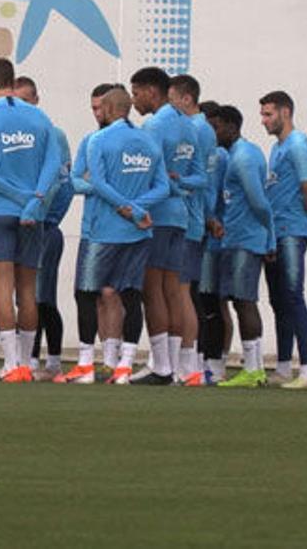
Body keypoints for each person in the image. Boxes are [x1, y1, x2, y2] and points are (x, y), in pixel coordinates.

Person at [0, 58, 61, 383]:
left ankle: (11, 364)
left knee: (2, 288)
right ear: (12, 79)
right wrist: (34, 198)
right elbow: (54, 164)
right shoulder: (39, 117)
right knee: (27, 290)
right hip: (32, 214)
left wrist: (16, 195)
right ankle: (28, 363)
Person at [79, 87, 170, 385]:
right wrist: (138, 209)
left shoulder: (99, 140)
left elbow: (100, 184)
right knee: (132, 295)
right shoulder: (149, 140)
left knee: (87, 293)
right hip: (138, 232)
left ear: (106, 108)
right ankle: (124, 366)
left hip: (105, 230)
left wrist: (126, 208)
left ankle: (86, 365)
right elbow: (163, 188)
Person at [130, 66, 205, 385]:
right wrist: (181, 184)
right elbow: (201, 177)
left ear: (151, 91)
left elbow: (147, 175)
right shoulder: (188, 126)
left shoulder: (153, 125)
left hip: (158, 215)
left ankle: (161, 365)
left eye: (136, 93)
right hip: (181, 217)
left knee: (152, 289)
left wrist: (168, 187)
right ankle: (173, 366)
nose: (134, 100)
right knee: (173, 290)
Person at [56, 83, 126, 385]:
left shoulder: (128, 141)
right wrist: (102, 185)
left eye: (101, 107)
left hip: (121, 229)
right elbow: (75, 182)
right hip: (93, 227)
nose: (98, 113)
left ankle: (111, 360)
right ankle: (98, 359)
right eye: (94, 108)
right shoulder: (90, 141)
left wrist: (96, 184)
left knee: (113, 294)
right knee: (92, 294)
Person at [261, 91, 307, 390]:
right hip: (276, 233)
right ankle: (284, 367)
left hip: (290, 232)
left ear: (285, 113)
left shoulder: (298, 145)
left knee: (294, 296)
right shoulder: (277, 148)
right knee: (279, 301)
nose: (264, 121)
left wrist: (306, 227)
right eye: (263, 114)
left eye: (268, 114)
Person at [211, 105, 275, 389]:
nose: (212, 133)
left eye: (216, 127)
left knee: (244, 301)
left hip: (246, 241)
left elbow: (260, 202)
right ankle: (255, 368)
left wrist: (269, 237)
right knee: (240, 301)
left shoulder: (244, 157)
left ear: (230, 126)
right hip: (237, 238)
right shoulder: (238, 154)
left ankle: (253, 369)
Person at [11, 77, 71, 378]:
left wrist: (48, 217)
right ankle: (27, 358)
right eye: (16, 100)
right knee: (23, 293)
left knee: (42, 294)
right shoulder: (10, 134)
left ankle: (47, 359)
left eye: (26, 99)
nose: (22, 106)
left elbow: (63, 183)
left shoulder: (53, 134)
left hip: (43, 226)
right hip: (18, 224)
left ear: (37, 99)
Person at [167, 73, 215, 385]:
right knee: (186, 291)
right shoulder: (203, 129)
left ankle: (186, 363)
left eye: (172, 101)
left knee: (181, 290)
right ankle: (190, 362)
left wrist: (178, 183)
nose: (170, 108)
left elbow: (200, 178)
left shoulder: (195, 128)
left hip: (188, 218)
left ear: (187, 98)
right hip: (194, 218)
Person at [198, 101, 233, 383]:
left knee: (212, 302)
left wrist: (211, 219)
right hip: (201, 234)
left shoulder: (219, 156)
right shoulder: (207, 154)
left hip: (214, 238)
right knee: (203, 299)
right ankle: (206, 360)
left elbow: (219, 195)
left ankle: (216, 361)